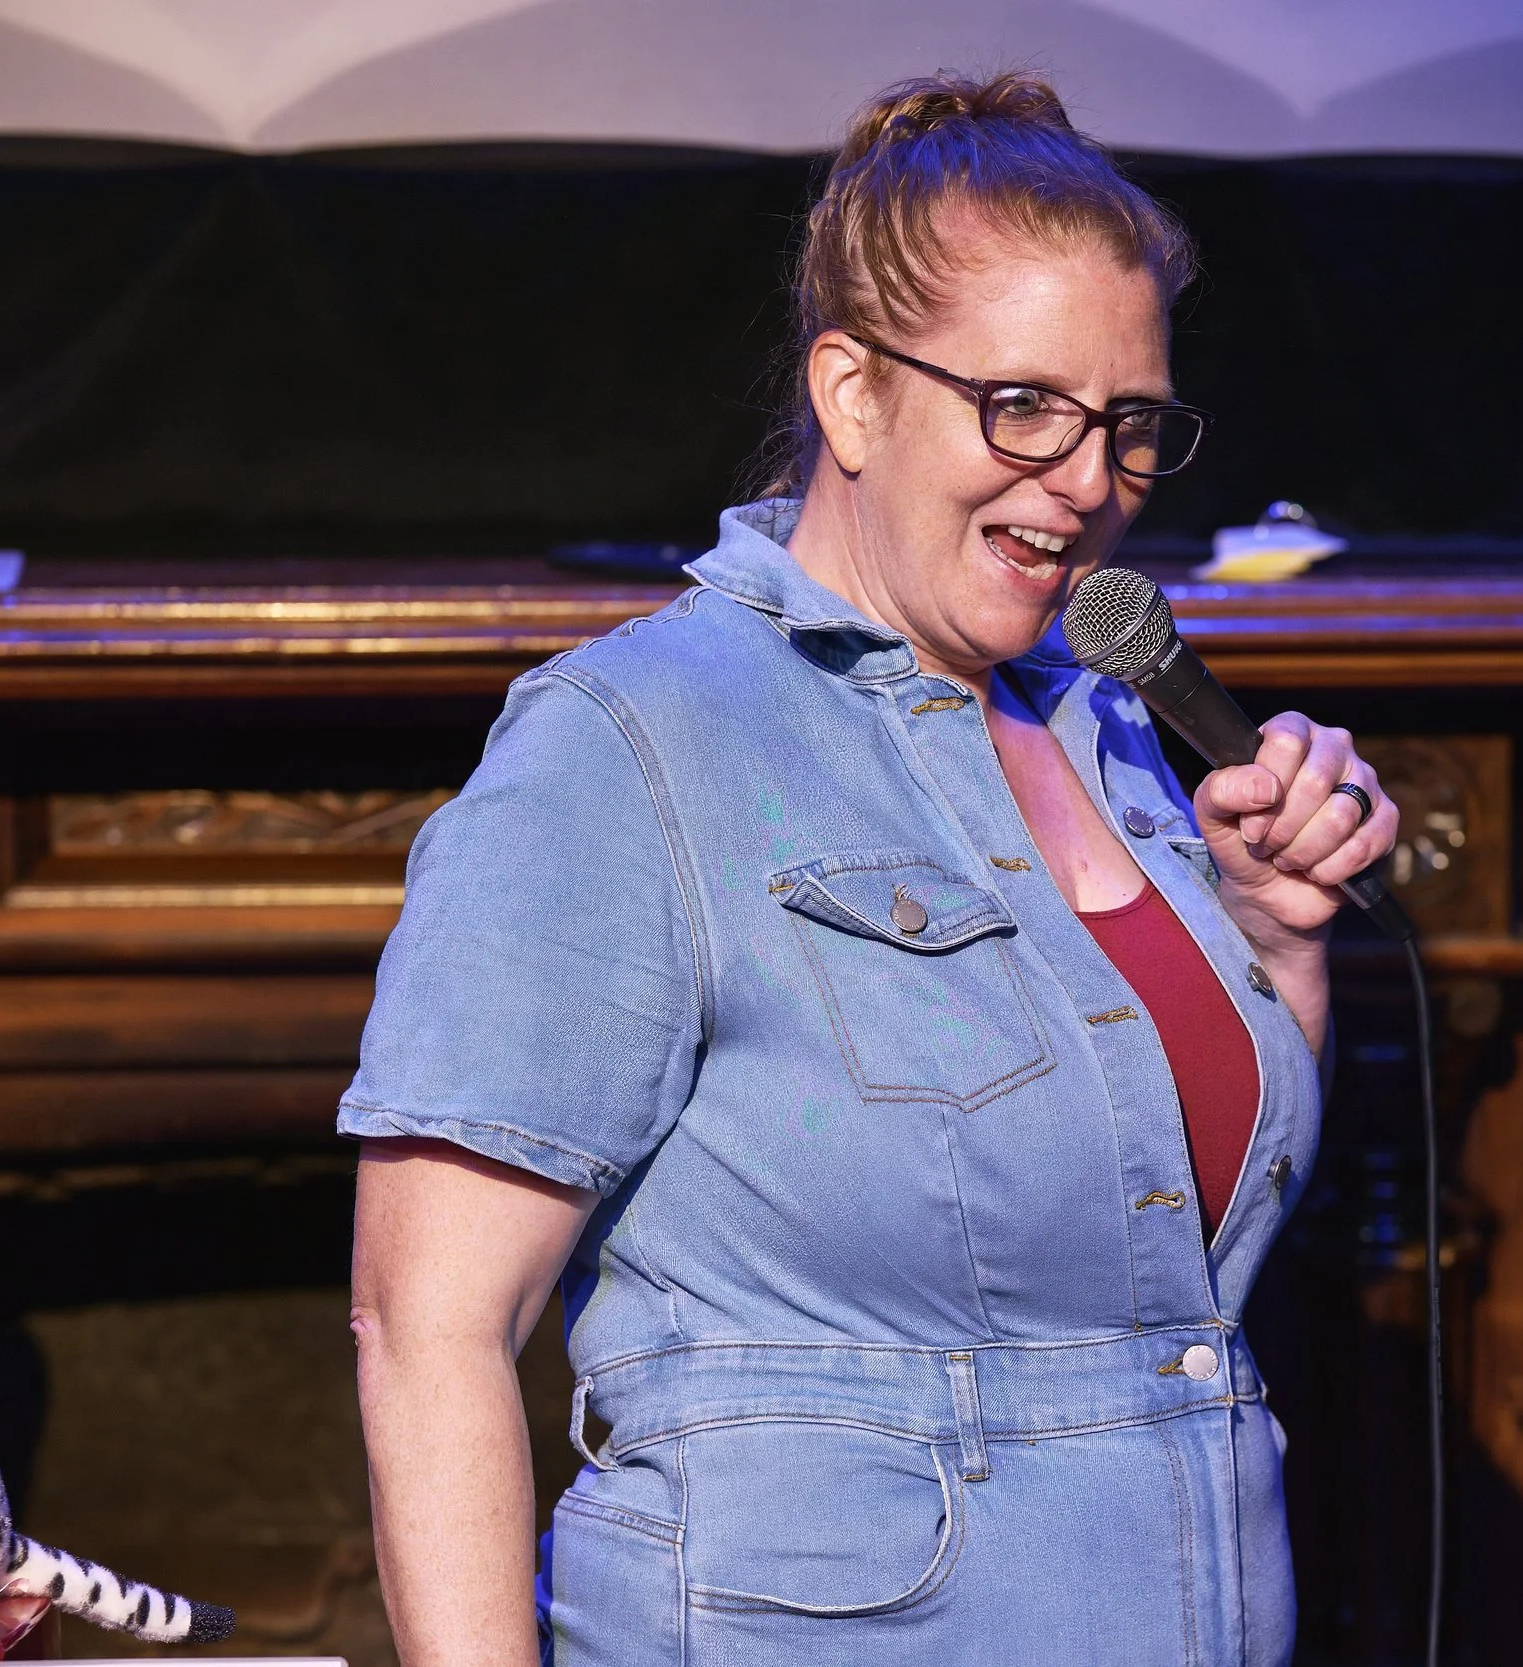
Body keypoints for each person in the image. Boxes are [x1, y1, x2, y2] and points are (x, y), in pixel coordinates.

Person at [344, 71, 1400, 1667]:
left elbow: (1162, 1261)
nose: (1088, 479)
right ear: (850, 394)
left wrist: (1277, 941)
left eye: (1128, 426)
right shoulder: (627, 744)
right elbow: (425, 1327)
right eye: (1023, 406)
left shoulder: (1114, 726)